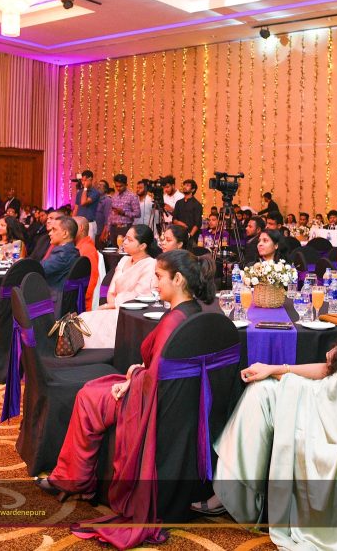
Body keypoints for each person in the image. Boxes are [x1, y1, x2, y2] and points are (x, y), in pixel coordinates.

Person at [199, 258, 337, 551]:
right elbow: (332, 373)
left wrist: (283, 379)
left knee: (261, 393)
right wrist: (277, 369)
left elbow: (333, 396)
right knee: (263, 388)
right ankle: (237, 493)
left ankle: (235, 495)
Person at [38, 250, 216, 550]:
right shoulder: (195, 312)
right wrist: (140, 371)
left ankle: (74, 480)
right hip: (180, 402)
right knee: (97, 389)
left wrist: (133, 379)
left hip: (151, 403)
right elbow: (165, 369)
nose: (155, 283)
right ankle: (77, 478)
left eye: (159, 277)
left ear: (178, 279)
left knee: (89, 396)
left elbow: (156, 379)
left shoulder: (173, 321)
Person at [81, 225, 159, 348]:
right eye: (125, 238)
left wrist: (112, 305)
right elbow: (111, 291)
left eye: (130, 240)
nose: (124, 242)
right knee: (83, 318)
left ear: (142, 246)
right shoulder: (124, 260)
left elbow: (140, 295)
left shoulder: (150, 264)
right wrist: (111, 303)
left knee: (89, 323)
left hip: (130, 313)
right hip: (114, 307)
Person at [40, 215, 79, 291]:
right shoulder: (72, 250)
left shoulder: (63, 254)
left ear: (65, 234)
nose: (50, 233)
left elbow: (40, 269)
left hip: (51, 294)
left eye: (54, 230)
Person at [105, 174, 141, 246]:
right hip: (113, 228)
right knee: (114, 249)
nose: (118, 188)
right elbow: (110, 214)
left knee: (125, 249)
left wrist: (124, 213)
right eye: (116, 186)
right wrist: (108, 229)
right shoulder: (114, 196)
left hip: (125, 228)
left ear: (126, 185)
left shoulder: (132, 196)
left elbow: (138, 213)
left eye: (120, 186)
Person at [72, 170, 102, 241]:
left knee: (88, 244)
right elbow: (76, 208)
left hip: (89, 223)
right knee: (78, 244)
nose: (83, 182)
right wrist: (72, 221)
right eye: (82, 180)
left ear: (90, 179)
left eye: (85, 180)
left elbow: (83, 202)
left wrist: (85, 187)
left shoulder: (95, 192)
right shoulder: (80, 192)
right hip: (79, 224)